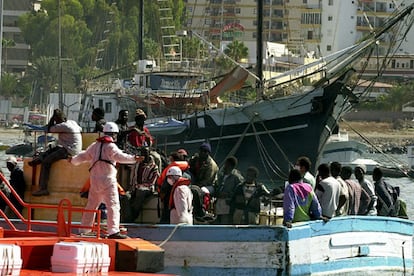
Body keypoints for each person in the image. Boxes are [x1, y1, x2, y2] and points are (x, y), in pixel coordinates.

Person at [69, 122, 144, 239]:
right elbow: (120, 156)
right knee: (113, 205)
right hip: (108, 180)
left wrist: (73, 160)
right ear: (114, 135)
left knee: (91, 205)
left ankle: (84, 230)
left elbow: (83, 156)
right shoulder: (111, 147)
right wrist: (134, 159)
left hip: (94, 181)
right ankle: (113, 231)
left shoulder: (95, 146)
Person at [32, 109, 82, 196]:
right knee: (53, 147)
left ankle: (43, 188)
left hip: (69, 150)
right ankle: (40, 158)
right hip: (73, 148)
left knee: (46, 162)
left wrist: (52, 119)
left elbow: (48, 129)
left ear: (56, 119)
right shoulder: (72, 122)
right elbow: (80, 129)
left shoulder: (62, 126)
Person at [127, 147, 159, 222]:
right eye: (142, 154)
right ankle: (127, 217)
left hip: (147, 189)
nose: (143, 155)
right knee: (125, 196)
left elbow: (151, 182)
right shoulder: (136, 164)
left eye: (145, 153)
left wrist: (141, 186)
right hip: (134, 187)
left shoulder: (153, 167)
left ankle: (133, 216)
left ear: (148, 154)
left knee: (140, 191)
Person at [157, 150, 190, 224]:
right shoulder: (188, 175)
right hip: (186, 213)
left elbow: (163, 190)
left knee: (166, 219)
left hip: (169, 205)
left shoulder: (170, 173)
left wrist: (161, 194)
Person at [188, 142, 219, 219]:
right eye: (201, 151)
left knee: (202, 190)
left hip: (209, 185)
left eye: (205, 151)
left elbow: (207, 181)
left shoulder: (211, 165)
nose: (202, 153)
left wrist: (195, 187)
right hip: (196, 182)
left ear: (208, 153)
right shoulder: (195, 159)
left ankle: (202, 209)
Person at [214, 156, 244, 224]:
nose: (225, 166)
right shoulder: (221, 176)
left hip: (228, 204)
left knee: (225, 221)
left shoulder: (236, 177)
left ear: (231, 166)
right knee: (218, 221)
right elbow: (217, 187)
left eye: (227, 164)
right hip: (219, 203)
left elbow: (240, 190)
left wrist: (229, 195)